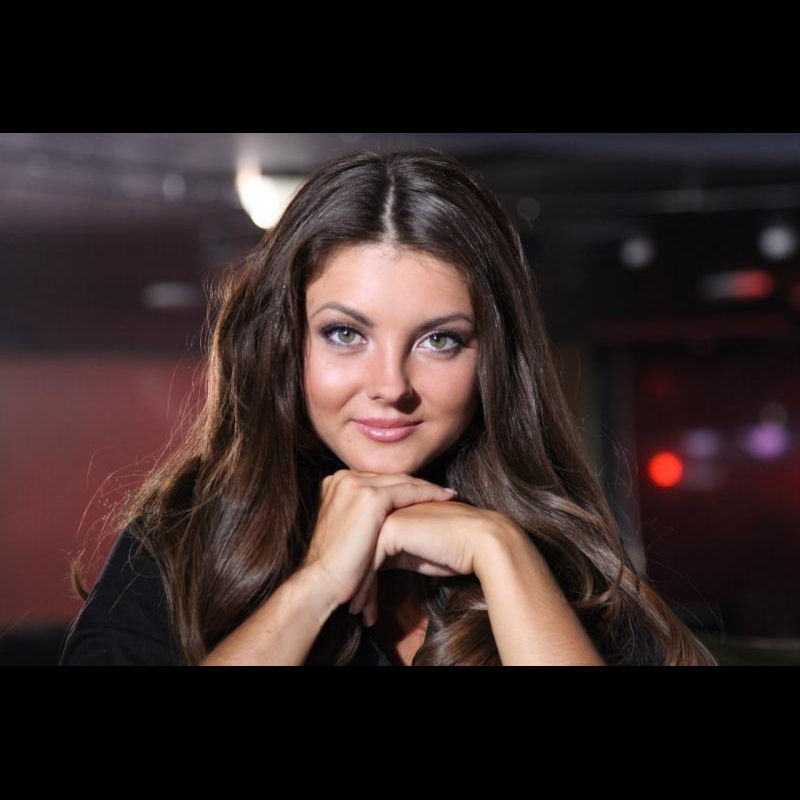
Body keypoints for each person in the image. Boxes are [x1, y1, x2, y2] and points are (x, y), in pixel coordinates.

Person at [59, 149, 717, 666]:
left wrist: (501, 551)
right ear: (284, 341)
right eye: (345, 333)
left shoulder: (565, 563)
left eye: (440, 340)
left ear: (492, 359)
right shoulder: (184, 536)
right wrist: (317, 584)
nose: (390, 385)